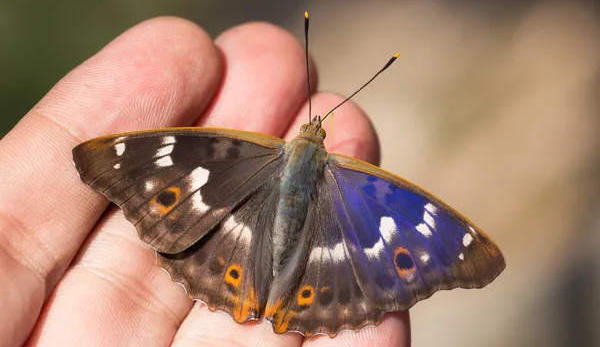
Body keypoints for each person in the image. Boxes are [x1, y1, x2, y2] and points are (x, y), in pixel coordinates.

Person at [0, 17, 410, 346]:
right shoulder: (360, 184)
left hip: (249, 246)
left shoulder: (235, 152)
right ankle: (285, 296)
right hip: (287, 254)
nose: (315, 129)